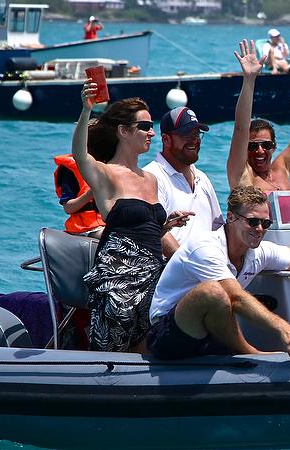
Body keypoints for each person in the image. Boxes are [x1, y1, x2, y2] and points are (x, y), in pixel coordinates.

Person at [147, 185, 290, 359]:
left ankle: (233, 354)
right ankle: (249, 354)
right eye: (253, 221)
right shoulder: (204, 247)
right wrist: (283, 328)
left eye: (265, 223)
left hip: (210, 331)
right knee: (213, 292)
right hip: (168, 331)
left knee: (219, 295)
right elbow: (236, 297)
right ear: (231, 217)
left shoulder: (259, 252)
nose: (260, 229)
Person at [72, 82, 186, 353]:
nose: (152, 134)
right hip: (119, 275)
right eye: (144, 127)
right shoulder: (105, 173)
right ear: (123, 131)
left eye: (151, 127)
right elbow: (79, 153)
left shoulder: (151, 179)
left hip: (154, 271)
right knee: (116, 335)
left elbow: (146, 230)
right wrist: (86, 110)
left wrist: (167, 225)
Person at [226, 41, 290, 193]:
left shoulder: (282, 169)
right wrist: (249, 79)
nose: (260, 151)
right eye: (252, 146)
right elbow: (241, 128)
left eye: (266, 145)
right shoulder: (242, 175)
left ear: (274, 147)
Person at [143, 106, 223, 258]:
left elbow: (217, 229)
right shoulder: (151, 176)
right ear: (166, 139)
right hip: (173, 270)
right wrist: (193, 267)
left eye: (197, 134)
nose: (194, 140)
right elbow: (155, 233)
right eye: (186, 134)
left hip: (207, 266)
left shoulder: (202, 178)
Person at [53, 153, 105, 238]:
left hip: (109, 224)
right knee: (116, 236)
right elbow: (68, 208)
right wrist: (91, 193)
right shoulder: (70, 170)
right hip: (87, 228)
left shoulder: (112, 166)